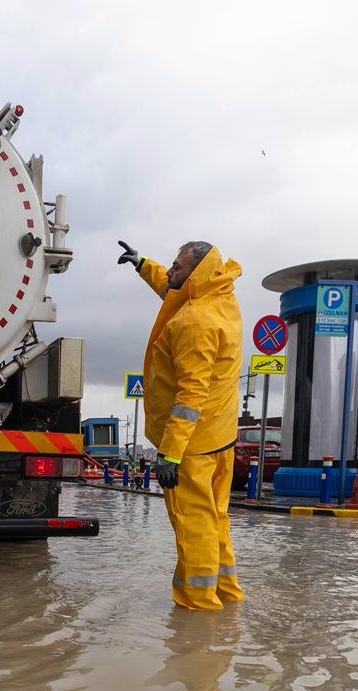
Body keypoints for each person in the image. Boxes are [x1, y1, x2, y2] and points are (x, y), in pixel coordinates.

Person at [118, 239, 244, 610]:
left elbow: (190, 397)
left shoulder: (194, 322)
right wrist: (143, 264)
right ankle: (227, 593)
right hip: (219, 437)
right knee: (215, 519)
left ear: (196, 275)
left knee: (194, 526)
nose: (170, 271)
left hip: (190, 448)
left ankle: (198, 608)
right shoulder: (219, 298)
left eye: (177, 266)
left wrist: (170, 454)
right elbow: (173, 286)